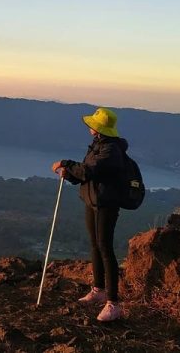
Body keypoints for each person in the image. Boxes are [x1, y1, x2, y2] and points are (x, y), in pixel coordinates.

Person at [51, 107, 127, 322]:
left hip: (106, 205)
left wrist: (64, 163)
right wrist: (70, 175)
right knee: (95, 245)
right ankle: (98, 290)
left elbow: (88, 170)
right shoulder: (99, 146)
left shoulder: (111, 150)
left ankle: (113, 303)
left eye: (93, 124)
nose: (89, 127)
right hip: (93, 201)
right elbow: (86, 173)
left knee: (105, 248)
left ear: (98, 128)